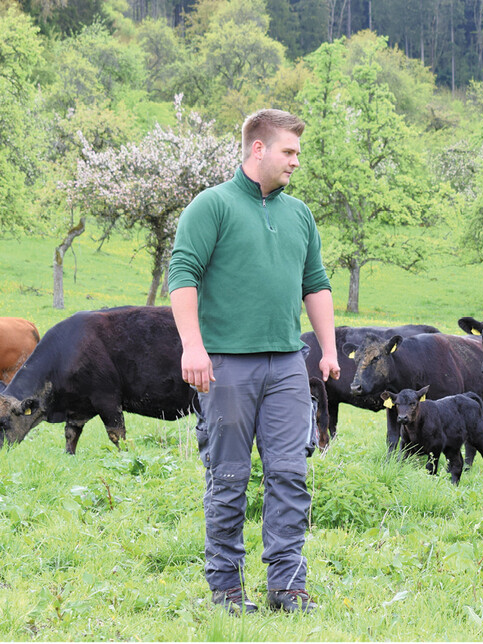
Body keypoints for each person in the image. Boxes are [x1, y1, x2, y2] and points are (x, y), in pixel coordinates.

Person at [168, 108, 339, 615]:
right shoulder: (212, 206)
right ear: (258, 149)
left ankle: (287, 586)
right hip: (226, 365)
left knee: (290, 474)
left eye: (298, 154)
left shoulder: (299, 213)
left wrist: (327, 349)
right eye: (289, 152)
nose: (295, 162)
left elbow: (317, 283)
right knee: (229, 475)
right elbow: (182, 274)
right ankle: (225, 590)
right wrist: (192, 346)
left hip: (288, 362)